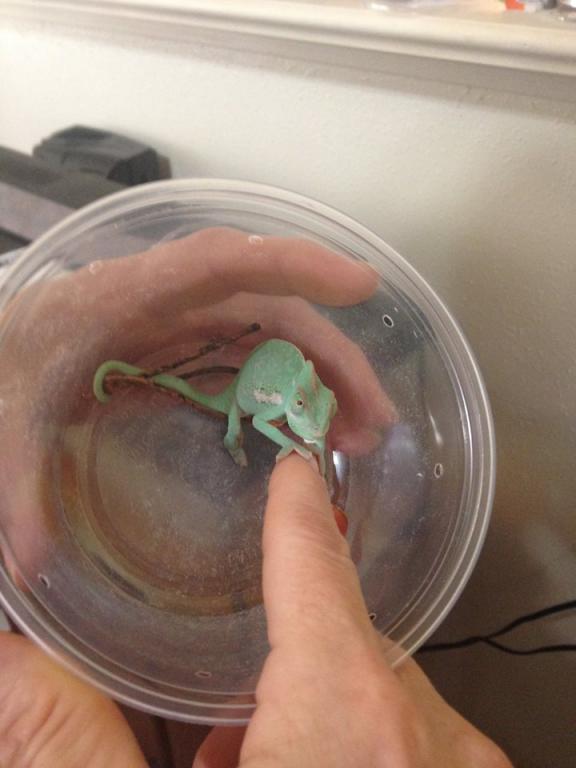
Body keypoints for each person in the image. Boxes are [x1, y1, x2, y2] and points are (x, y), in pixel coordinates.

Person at [0, 229, 513, 767]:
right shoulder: (274, 407)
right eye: (306, 411)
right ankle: (229, 435)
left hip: (274, 381)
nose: (316, 422)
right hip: (249, 397)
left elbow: (308, 407)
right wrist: (281, 441)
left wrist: (305, 429)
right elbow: (266, 418)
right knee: (235, 418)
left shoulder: (307, 393)